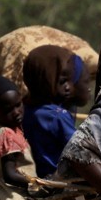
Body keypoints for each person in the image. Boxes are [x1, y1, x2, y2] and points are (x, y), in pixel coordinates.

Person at [22, 45, 76, 178]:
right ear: (45, 80)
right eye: (63, 81)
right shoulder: (58, 116)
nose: (68, 87)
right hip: (60, 181)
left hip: (37, 179)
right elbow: (80, 151)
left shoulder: (22, 109)